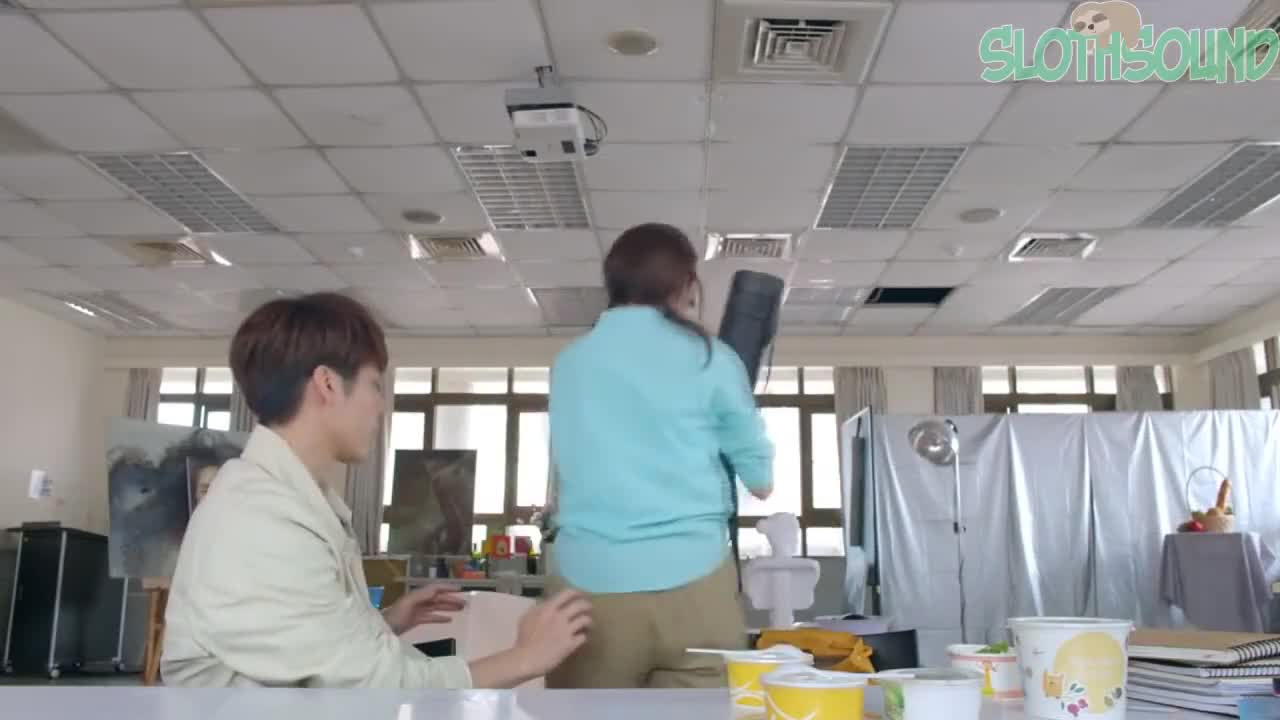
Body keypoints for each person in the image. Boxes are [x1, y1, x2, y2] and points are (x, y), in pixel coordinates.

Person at [162, 292, 591, 688]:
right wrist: (524, 659)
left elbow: (301, 649)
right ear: (328, 384)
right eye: (374, 385)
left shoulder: (288, 499)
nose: (381, 406)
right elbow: (373, 687)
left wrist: (384, 623)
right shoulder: (262, 520)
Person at [545, 223, 775, 689]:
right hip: (695, 580)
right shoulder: (713, 358)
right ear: (686, 285)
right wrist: (751, 470)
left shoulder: (569, 363)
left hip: (588, 586)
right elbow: (759, 476)